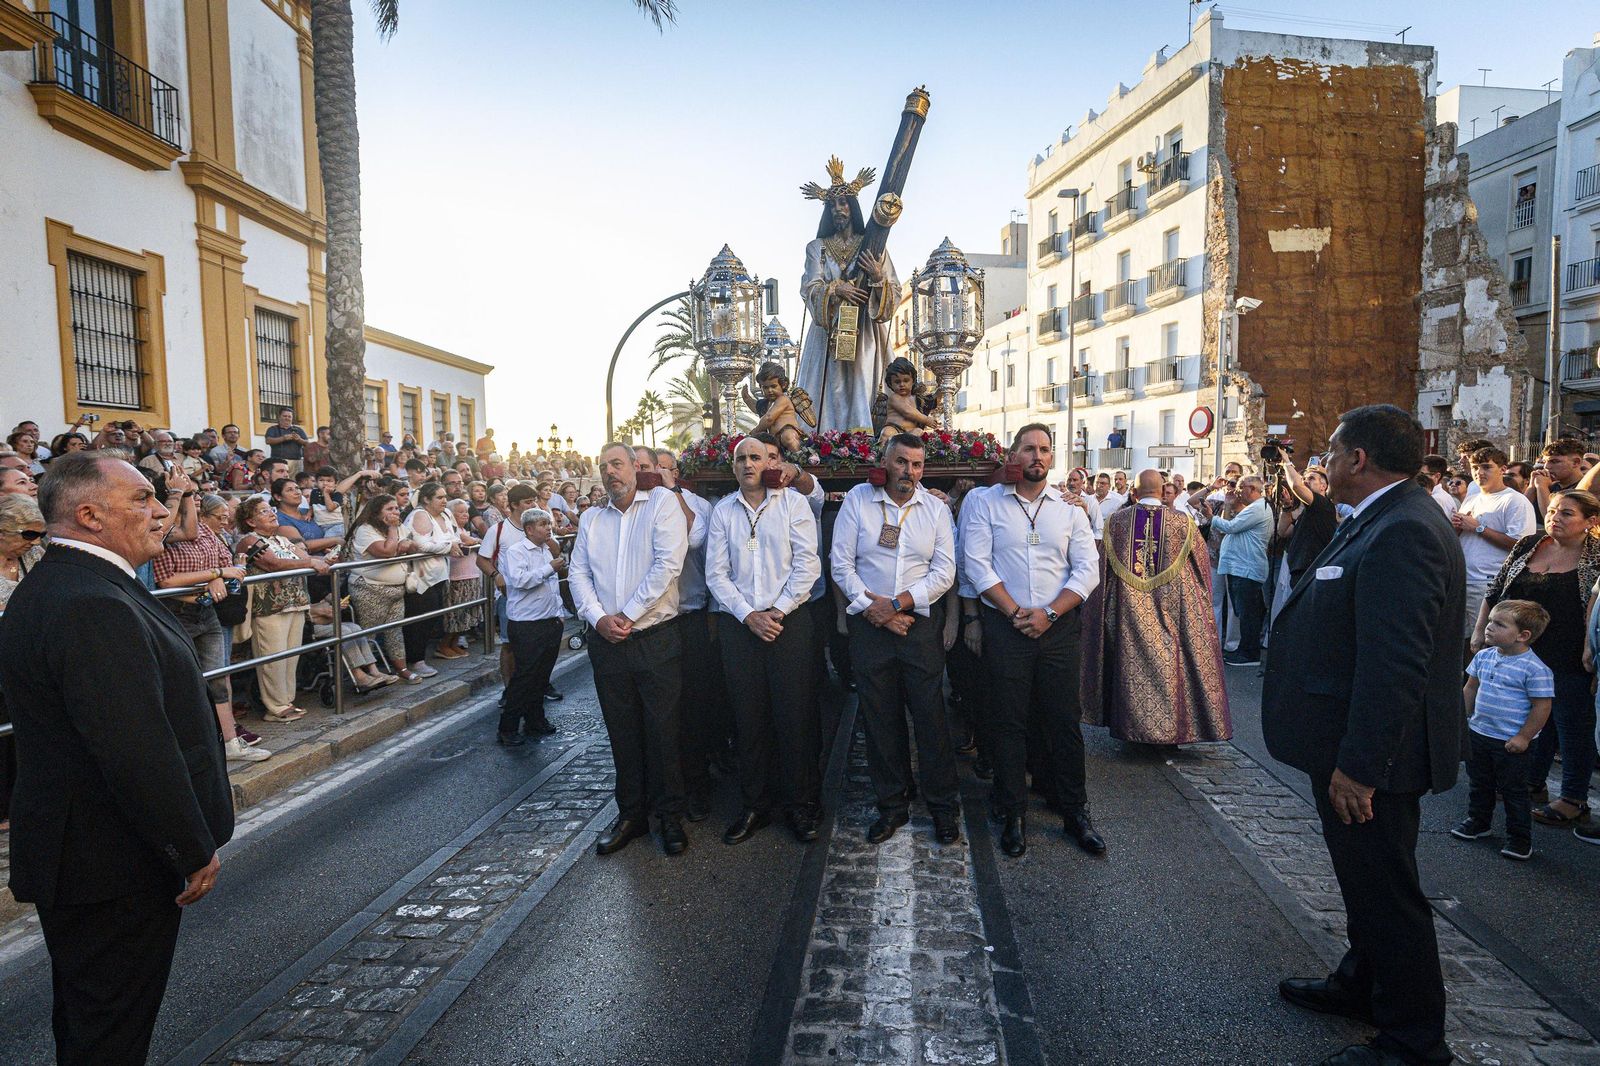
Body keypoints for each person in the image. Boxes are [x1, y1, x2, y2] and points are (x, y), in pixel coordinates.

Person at [0, 452, 233, 1064]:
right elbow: (133, 745)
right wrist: (189, 847)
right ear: (89, 515)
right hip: (109, 861)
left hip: (95, 855)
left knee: (94, 1022)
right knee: (109, 1033)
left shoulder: (82, 585)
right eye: (141, 500)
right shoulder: (87, 600)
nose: (160, 511)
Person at [1263, 404, 1463, 1066]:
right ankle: (1362, 983)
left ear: (1359, 460)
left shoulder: (1403, 528)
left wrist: (1361, 765)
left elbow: (1395, 663)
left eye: (1332, 448)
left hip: (1374, 754)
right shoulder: (1382, 515)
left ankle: (1413, 1040)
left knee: (1386, 890)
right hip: (1352, 741)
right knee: (1364, 880)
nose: (1323, 458)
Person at [960, 424, 1101, 859]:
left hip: (1057, 628)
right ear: (1013, 455)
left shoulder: (1070, 511)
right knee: (1009, 721)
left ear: (1052, 458)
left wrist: (1050, 613)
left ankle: (1076, 811)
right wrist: (1015, 612)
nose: (1036, 456)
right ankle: (1013, 812)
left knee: (1063, 719)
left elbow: (1087, 570)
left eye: (1044, 449)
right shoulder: (985, 503)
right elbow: (977, 564)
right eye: (1028, 449)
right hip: (1008, 625)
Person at [831, 432, 960, 844]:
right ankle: (892, 805)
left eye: (917, 465)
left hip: (917, 625)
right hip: (871, 625)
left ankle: (942, 806)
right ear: (886, 461)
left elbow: (944, 572)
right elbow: (841, 563)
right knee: (879, 718)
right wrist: (876, 609)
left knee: (930, 718)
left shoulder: (935, 510)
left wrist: (900, 604)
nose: (910, 472)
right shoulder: (858, 500)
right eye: (902, 462)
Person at [569, 442, 689, 856]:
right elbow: (578, 573)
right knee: (622, 733)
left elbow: (667, 565)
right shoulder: (591, 518)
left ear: (635, 469)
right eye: (603, 466)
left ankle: (670, 816)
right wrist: (599, 617)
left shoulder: (661, 505)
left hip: (654, 638)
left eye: (617, 464)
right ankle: (632, 815)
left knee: (664, 731)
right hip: (607, 643)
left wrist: (628, 614)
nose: (610, 472)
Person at [704, 437, 822, 845]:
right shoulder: (723, 511)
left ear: (769, 462)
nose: (749, 463)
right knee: (748, 718)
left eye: (756, 456)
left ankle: (800, 804)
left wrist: (778, 610)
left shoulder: (792, 503)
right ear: (733, 467)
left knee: (795, 717)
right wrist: (749, 615)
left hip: (789, 623)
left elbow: (809, 563)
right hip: (742, 627)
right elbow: (716, 574)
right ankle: (755, 804)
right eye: (742, 458)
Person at [1475, 490, 1600, 829]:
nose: (1555, 518)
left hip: (1572, 654)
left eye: (1567, 514)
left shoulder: (1596, 556)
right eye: (1554, 510)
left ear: (1591, 522)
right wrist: (1480, 630)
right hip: (1523, 653)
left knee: (1571, 724)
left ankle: (1574, 798)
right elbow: (1496, 589)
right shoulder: (1529, 544)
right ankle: (1532, 783)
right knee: (1531, 720)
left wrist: (1591, 649)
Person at [1081, 469, 1231, 746]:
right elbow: (1201, 569)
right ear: (1163, 493)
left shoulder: (1116, 522)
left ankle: (1131, 729)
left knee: (1129, 663)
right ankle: (1169, 728)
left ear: (1134, 493)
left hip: (1128, 608)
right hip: (1174, 608)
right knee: (1172, 661)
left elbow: (1100, 569)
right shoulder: (1183, 523)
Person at [153, 484, 265, 763]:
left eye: (193, 498)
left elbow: (230, 565)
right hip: (176, 613)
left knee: (219, 678)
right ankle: (191, 747)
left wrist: (217, 577)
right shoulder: (159, 534)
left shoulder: (203, 531)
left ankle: (230, 743)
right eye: (185, 498)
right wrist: (214, 573)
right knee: (183, 683)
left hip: (207, 612)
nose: (192, 504)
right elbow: (166, 580)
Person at [795, 156, 899, 433]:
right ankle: (825, 440)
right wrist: (836, 288)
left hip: (864, 331)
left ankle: (864, 437)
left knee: (864, 382)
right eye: (831, 205)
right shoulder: (817, 247)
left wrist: (878, 278)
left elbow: (894, 289)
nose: (837, 209)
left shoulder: (873, 247)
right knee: (825, 388)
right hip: (827, 332)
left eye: (842, 203)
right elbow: (809, 287)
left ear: (853, 207)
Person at [1454, 600, 1554, 861]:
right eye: (1489, 622)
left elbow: (1542, 707)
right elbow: (1471, 688)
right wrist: (1461, 720)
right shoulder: (1484, 656)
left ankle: (1520, 838)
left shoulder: (1535, 669)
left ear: (1523, 636)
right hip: (1480, 733)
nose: (1488, 627)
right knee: (1479, 783)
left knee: (1514, 791)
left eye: (1499, 624)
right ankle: (1479, 822)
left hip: (1511, 742)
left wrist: (1524, 737)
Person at [236, 496, 325, 722]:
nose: (272, 514)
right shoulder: (249, 540)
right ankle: (275, 707)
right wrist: (310, 562)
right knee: (272, 658)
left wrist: (323, 561)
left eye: (271, 510)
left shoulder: (283, 540)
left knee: (290, 657)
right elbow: (273, 564)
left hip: (295, 603)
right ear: (250, 521)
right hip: (269, 607)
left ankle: (287, 700)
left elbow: (306, 557)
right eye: (264, 512)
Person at [495, 507, 566, 745]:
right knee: (525, 676)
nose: (548, 528)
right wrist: (549, 568)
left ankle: (535, 720)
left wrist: (558, 614)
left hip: (549, 621)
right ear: (529, 529)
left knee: (541, 676)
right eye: (543, 524)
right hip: (527, 625)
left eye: (549, 523)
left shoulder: (547, 550)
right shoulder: (516, 552)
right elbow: (520, 581)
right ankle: (508, 727)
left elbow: (552, 587)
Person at [1452, 447, 1538, 645]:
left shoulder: (1514, 500)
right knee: (1460, 640)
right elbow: (1463, 536)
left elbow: (1522, 545)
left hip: (1487, 582)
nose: (1479, 472)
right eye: (1475, 467)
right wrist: (1456, 527)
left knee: (1481, 642)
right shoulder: (1472, 498)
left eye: (1486, 467)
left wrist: (1479, 528)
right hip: (1463, 579)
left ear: (1502, 469)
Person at [347, 494, 424, 683]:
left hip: (396, 590)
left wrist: (407, 544)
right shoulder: (365, 529)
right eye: (390, 509)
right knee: (368, 633)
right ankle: (366, 675)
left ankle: (402, 669)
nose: (395, 512)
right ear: (376, 512)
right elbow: (387, 551)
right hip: (370, 589)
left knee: (395, 632)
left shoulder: (399, 527)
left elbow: (415, 546)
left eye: (397, 508)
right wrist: (393, 529)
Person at [1209, 474, 1272, 667]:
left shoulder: (1257, 509)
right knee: (1244, 611)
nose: (1237, 491)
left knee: (1248, 613)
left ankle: (1249, 654)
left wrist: (1210, 517)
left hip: (1247, 568)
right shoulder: (1253, 508)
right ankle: (1244, 650)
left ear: (1253, 489)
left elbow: (1231, 527)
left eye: (1241, 487)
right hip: (1241, 567)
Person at [404, 481, 463, 674]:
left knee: (431, 619)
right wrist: (447, 547)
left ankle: (419, 658)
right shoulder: (420, 514)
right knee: (419, 621)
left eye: (445, 496)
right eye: (439, 497)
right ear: (426, 499)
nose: (444, 500)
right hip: (421, 577)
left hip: (439, 574)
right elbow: (422, 544)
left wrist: (448, 544)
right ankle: (415, 661)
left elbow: (455, 537)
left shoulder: (446, 514)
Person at [441, 499, 484, 656]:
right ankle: (444, 645)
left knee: (465, 615)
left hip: (470, 575)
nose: (465, 515)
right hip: (457, 577)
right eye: (460, 512)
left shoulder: (463, 530)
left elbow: (476, 541)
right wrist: (473, 541)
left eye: (466, 512)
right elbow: (467, 543)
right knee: (455, 615)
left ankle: (454, 643)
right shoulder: (451, 530)